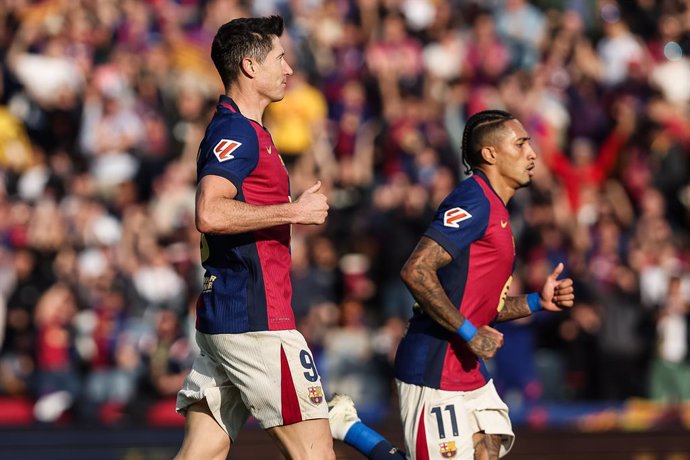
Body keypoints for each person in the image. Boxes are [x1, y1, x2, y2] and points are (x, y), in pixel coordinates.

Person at [174, 16, 335, 460]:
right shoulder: (236, 131)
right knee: (315, 455)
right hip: (255, 320)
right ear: (249, 65)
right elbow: (208, 211)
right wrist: (294, 211)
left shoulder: (252, 131)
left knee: (201, 454)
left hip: (226, 317)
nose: (288, 69)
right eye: (281, 58)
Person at [394, 109, 575, 459]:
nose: (532, 153)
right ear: (490, 154)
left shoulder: (498, 209)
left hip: (468, 368)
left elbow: (481, 306)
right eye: (520, 143)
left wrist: (538, 301)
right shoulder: (474, 200)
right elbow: (415, 270)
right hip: (434, 366)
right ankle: (352, 430)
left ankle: (349, 426)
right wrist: (469, 333)